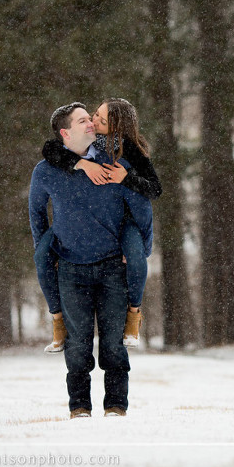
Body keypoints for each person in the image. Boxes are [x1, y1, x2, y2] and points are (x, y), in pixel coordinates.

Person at [29, 102, 153, 418]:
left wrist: (136, 248)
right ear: (65, 133)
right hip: (70, 268)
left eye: (92, 119)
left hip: (113, 266)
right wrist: (50, 248)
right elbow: (36, 213)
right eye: (83, 121)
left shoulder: (115, 163)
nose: (91, 125)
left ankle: (116, 406)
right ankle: (79, 408)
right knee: (78, 347)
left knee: (113, 346)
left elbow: (142, 208)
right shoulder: (46, 170)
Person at [37, 98, 161, 352]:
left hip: (123, 222)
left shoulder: (128, 151)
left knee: (137, 258)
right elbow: (51, 148)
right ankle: (57, 320)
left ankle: (134, 315)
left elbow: (153, 191)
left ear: (116, 129)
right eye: (94, 115)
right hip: (79, 234)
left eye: (101, 121)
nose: (93, 122)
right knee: (41, 256)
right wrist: (81, 163)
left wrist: (127, 178)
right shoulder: (91, 145)